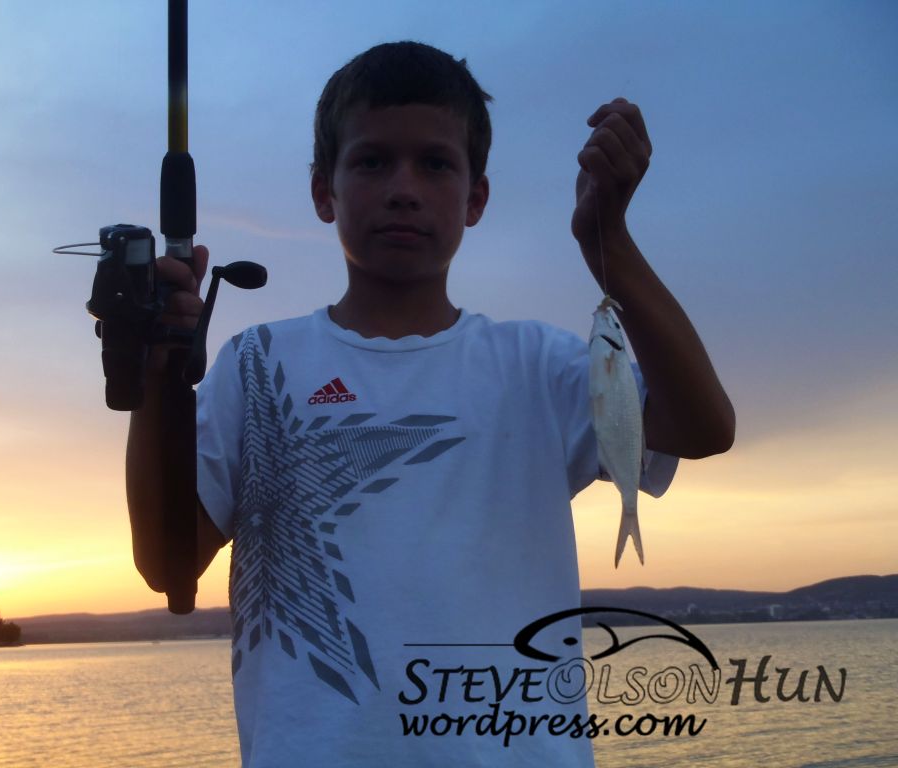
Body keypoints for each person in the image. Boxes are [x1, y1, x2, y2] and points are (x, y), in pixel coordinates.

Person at [127, 41, 733, 768]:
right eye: (372, 162)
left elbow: (703, 426)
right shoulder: (256, 367)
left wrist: (609, 242)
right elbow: (168, 565)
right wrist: (153, 372)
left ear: (476, 198)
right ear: (323, 191)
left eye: (436, 164)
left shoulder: (540, 367)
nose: (404, 189)